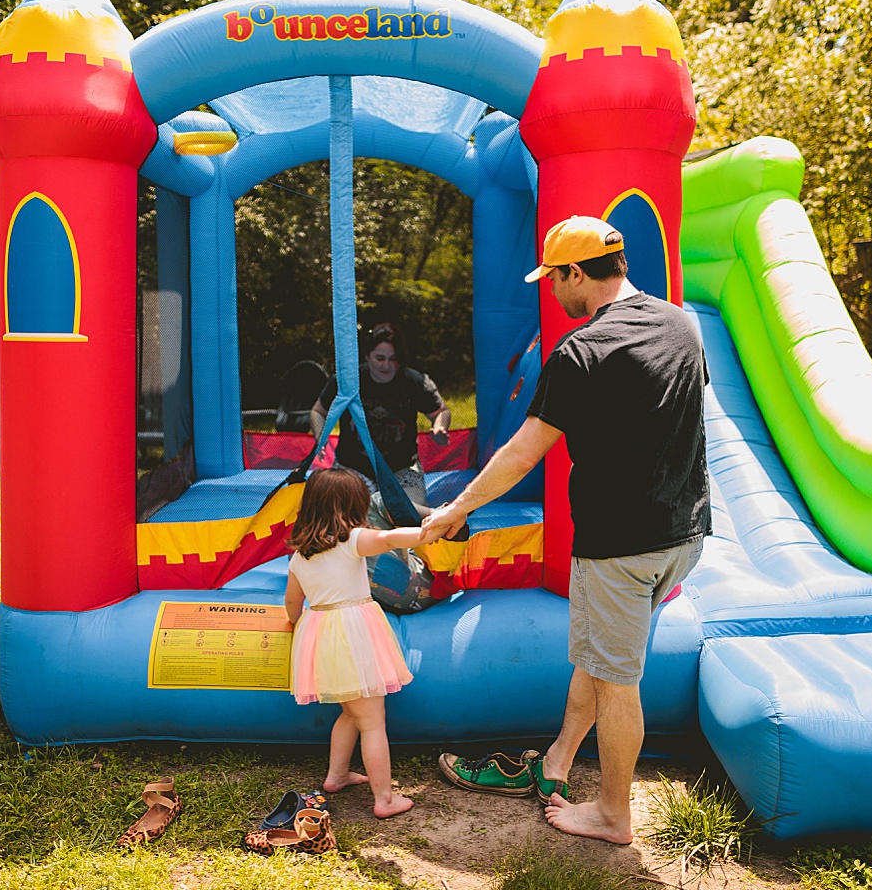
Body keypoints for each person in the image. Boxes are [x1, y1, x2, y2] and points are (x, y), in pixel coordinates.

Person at [422, 215, 711, 846]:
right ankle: (556, 762)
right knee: (597, 654)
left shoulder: (582, 351)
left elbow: (524, 452)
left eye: (554, 279)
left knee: (615, 681)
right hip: (684, 534)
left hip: (622, 543)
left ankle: (613, 815)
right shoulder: (679, 324)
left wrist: (454, 510)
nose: (551, 292)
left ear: (576, 273)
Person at [284, 467, 433, 819]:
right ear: (354, 506)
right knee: (372, 721)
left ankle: (336, 776)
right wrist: (427, 532)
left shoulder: (300, 555)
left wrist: (293, 623)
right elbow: (387, 540)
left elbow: (292, 602)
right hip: (352, 632)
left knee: (350, 712)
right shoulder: (353, 539)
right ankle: (385, 799)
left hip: (320, 631)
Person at [308, 322, 451, 508]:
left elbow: (441, 411)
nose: (386, 365)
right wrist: (321, 436)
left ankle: (435, 516)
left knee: (409, 512)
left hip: (402, 469)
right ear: (367, 356)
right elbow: (318, 411)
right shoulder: (347, 382)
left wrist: (440, 427)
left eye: (393, 359)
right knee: (346, 512)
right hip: (353, 467)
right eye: (380, 358)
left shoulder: (413, 382)